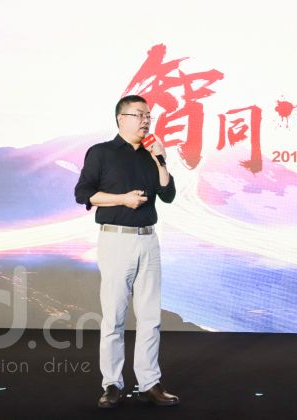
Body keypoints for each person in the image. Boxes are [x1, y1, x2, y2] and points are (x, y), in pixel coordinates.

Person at [74, 94, 180, 408]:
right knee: (114, 317)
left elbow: (168, 194)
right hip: (116, 240)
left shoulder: (151, 155)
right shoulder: (101, 153)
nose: (146, 120)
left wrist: (161, 160)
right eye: (139, 115)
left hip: (148, 240)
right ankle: (112, 384)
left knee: (150, 317)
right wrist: (122, 199)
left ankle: (150, 383)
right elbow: (83, 193)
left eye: (149, 116)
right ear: (122, 118)